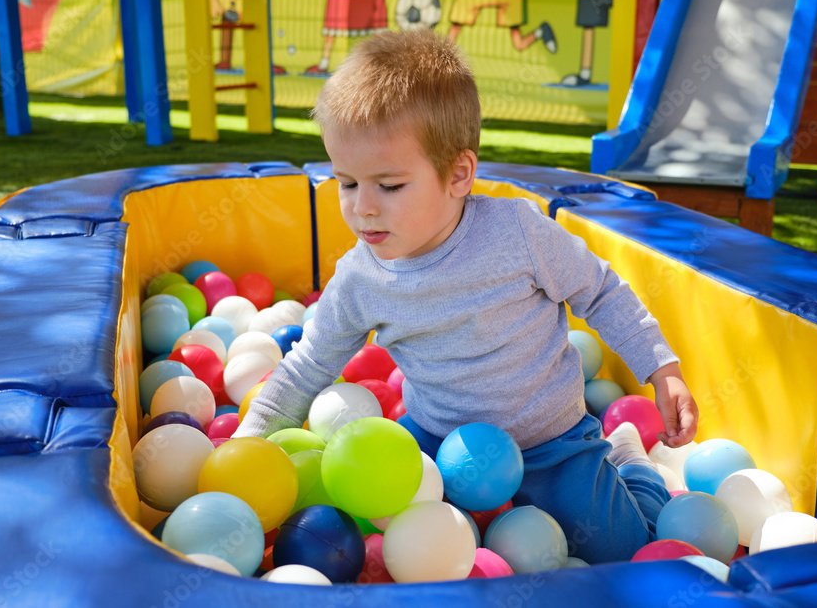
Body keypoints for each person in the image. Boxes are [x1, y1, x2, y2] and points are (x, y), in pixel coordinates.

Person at [232, 29, 699, 563]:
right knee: (396, 548)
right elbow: (306, 367)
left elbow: (600, 291)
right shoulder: (360, 280)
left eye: (388, 186)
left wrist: (662, 369)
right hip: (438, 448)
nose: (362, 208)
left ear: (458, 174)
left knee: (622, 550)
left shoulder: (517, 234)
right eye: (346, 183)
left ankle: (630, 463)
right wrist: (246, 446)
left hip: (550, 446)